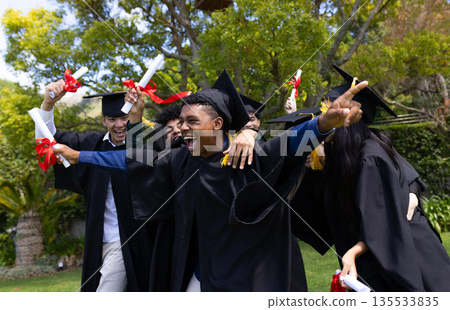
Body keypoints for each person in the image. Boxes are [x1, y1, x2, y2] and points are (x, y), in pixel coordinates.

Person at [54, 70, 366, 291]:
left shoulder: (246, 155)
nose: (183, 128)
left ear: (217, 123)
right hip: (203, 273)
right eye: (182, 121)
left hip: (249, 277)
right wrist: (132, 122)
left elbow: (289, 143)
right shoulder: (182, 160)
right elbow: (140, 160)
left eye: (192, 121)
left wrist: (324, 121)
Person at [318, 65, 450, 291]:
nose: (325, 124)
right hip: (389, 256)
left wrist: (353, 251)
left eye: (330, 117)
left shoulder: (371, 157)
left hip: (409, 258)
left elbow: (381, 222)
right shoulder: (355, 152)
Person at [36, 83, 156, 292]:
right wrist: (48, 103)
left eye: (125, 118)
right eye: (112, 119)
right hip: (99, 239)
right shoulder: (91, 143)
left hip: (132, 240)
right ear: (103, 120)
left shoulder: (148, 144)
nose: (119, 125)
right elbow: (48, 141)